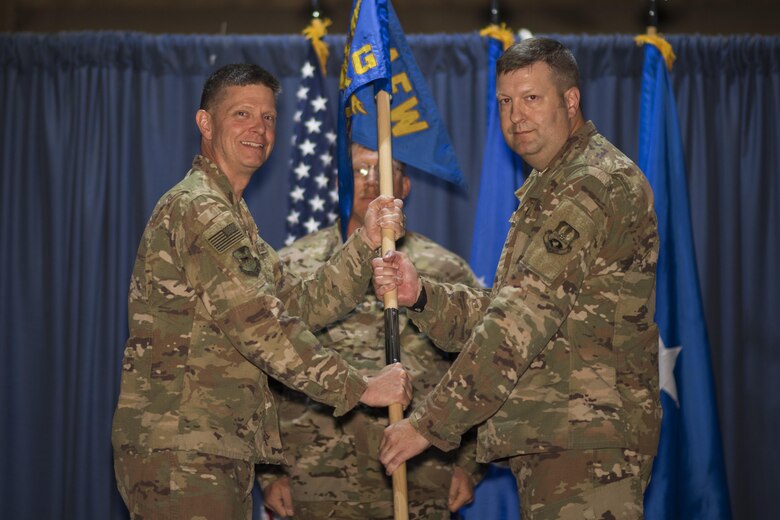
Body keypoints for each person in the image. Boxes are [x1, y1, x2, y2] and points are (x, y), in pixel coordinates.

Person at [372, 37, 661, 519]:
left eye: (531, 98)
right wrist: (421, 295)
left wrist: (426, 425)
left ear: (570, 101)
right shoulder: (549, 187)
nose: (516, 115)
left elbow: (517, 323)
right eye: (505, 102)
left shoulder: (592, 182)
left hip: (588, 445)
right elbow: (503, 308)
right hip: (562, 438)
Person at [111, 63, 412, 520]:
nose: (258, 129)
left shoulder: (232, 216)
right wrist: (361, 387)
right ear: (205, 123)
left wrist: (365, 242)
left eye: (268, 118)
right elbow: (261, 327)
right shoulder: (199, 210)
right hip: (184, 448)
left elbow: (296, 306)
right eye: (241, 114)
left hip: (208, 443)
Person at [258, 142, 484, 520]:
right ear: (339, 183)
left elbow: (479, 368)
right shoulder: (294, 268)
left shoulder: (445, 272)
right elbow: (264, 371)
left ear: (405, 185)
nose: (370, 183)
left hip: (422, 480)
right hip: (317, 480)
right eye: (359, 172)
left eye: (383, 171)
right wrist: (269, 473)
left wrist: (470, 464)